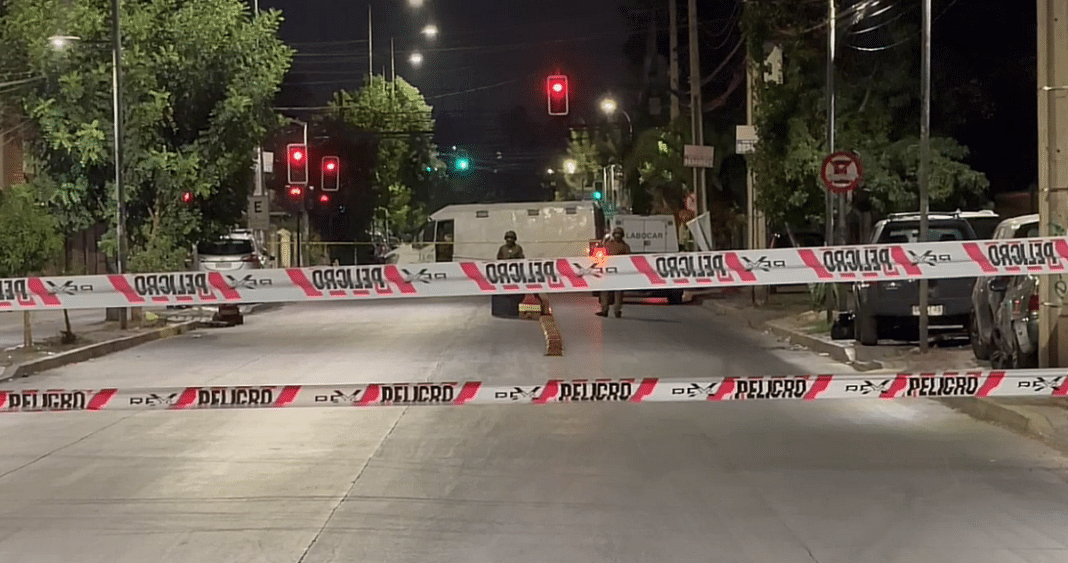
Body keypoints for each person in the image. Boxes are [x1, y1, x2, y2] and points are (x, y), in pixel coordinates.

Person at [597, 226, 631, 318]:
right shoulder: (608, 244)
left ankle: (617, 310)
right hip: (607, 270)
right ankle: (604, 309)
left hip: (619, 272)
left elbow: (628, 259)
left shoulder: (625, 246)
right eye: (616, 233)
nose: (617, 235)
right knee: (604, 291)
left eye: (619, 234)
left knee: (618, 292)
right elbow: (601, 255)